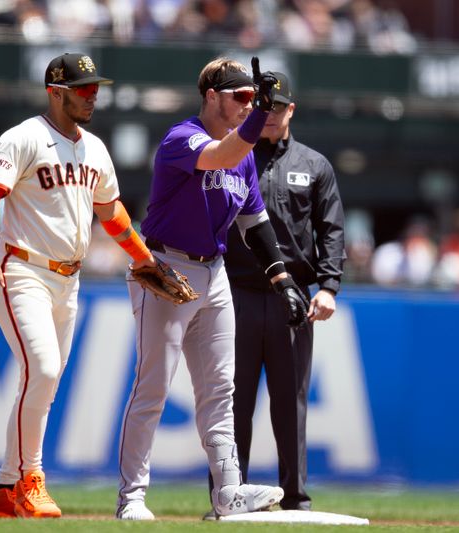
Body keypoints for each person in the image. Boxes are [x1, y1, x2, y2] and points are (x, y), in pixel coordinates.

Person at [116, 57, 310, 521]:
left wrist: (281, 278)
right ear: (211, 97)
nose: (248, 105)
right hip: (165, 267)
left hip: (214, 271)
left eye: (252, 97)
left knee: (221, 391)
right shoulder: (182, 138)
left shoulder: (241, 157)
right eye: (240, 97)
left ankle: (228, 492)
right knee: (154, 387)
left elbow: (255, 224)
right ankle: (132, 498)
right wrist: (262, 114)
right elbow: (220, 157)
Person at [0, 52, 157, 519]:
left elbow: (111, 213)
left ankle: (5, 487)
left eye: (94, 87)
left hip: (68, 279)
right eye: (82, 88)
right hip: (22, 271)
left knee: (41, 382)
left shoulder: (95, 147)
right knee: (45, 370)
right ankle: (32, 478)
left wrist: (145, 259)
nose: (92, 95)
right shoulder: (24, 137)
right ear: (55, 92)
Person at [217, 71, 345, 512]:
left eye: (278, 106)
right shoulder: (231, 156)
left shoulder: (314, 165)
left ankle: (296, 498)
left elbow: (331, 231)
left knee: (290, 402)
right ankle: (230, 495)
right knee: (233, 401)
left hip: (292, 298)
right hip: (236, 293)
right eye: (262, 106)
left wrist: (328, 287)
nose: (269, 114)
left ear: (292, 109)